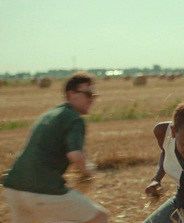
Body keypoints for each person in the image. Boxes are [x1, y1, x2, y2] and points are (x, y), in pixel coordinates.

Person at [2, 71, 109, 223]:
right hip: (42, 189)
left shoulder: (50, 114)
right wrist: (88, 172)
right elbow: (75, 155)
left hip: (14, 188)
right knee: (99, 217)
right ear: (71, 94)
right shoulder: (74, 118)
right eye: (88, 95)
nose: (92, 100)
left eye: (94, 95)